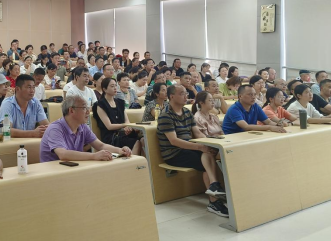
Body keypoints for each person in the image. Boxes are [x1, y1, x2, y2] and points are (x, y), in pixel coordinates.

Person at [157, 84, 228, 216]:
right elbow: (174, 141)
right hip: (173, 153)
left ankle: (214, 186)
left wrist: (209, 144)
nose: (186, 96)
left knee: (209, 153)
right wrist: (200, 147)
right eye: (182, 93)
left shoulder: (186, 112)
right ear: (172, 96)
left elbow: (197, 133)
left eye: (186, 93)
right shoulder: (165, 115)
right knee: (205, 162)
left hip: (188, 148)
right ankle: (214, 201)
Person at [40, 95, 132, 162]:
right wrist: (94, 156)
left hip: (72, 168)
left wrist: (119, 150)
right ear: (71, 110)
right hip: (53, 173)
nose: (88, 111)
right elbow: (63, 154)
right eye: (84, 108)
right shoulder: (55, 129)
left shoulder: (82, 126)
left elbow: (100, 146)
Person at [93, 77, 143, 155]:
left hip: (123, 133)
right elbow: (109, 126)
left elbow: (126, 121)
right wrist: (124, 126)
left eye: (115, 86)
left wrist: (128, 127)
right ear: (105, 89)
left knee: (143, 140)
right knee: (136, 142)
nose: (115, 88)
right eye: (112, 86)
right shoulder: (100, 104)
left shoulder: (120, 102)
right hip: (111, 137)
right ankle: (132, 162)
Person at [222, 85, 287, 134]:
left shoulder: (255, 107)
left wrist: (277, 125)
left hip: (247, 135)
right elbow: (246, 127)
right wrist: (269, 127)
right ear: (240, 96)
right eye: (250, 94)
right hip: (232, 137)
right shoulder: (234, 109)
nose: (253, 97)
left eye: (255, 94)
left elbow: (268, 122)